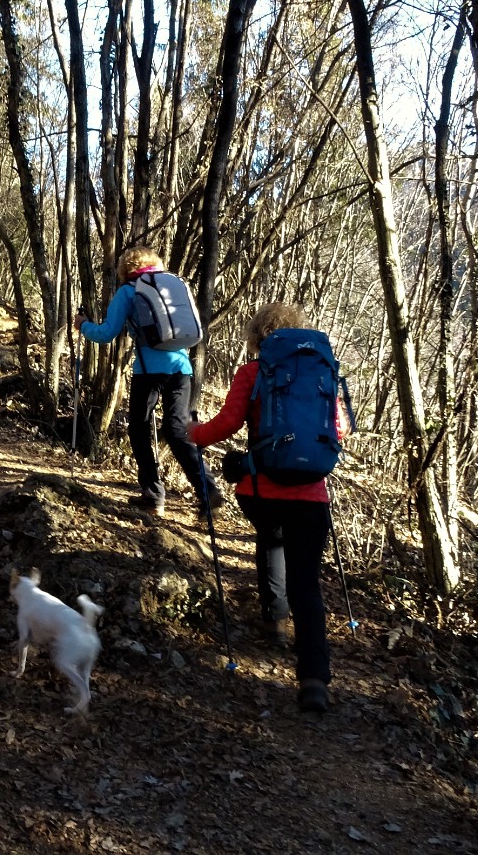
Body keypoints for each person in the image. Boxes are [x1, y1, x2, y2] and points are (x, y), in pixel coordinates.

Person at [187, 302, 349, 713]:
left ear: (258, 338)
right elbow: (341, 429)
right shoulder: (323, 372)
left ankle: (274, 620)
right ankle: (314, 679)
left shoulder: (254, 373)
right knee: (307, 584)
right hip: (312, 496)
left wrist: (193, 434)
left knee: (270, 537)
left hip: (258, 491)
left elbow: (226, 424)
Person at [75, 246, 223, 518]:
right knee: (178, 429)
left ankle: (153, 495)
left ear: (124, 268)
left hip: (148, 371)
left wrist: (83, 325)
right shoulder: (171, 285)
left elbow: (107, 334)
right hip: (182, 368)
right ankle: (208, 490)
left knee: (140, 430)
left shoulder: (128, 291)